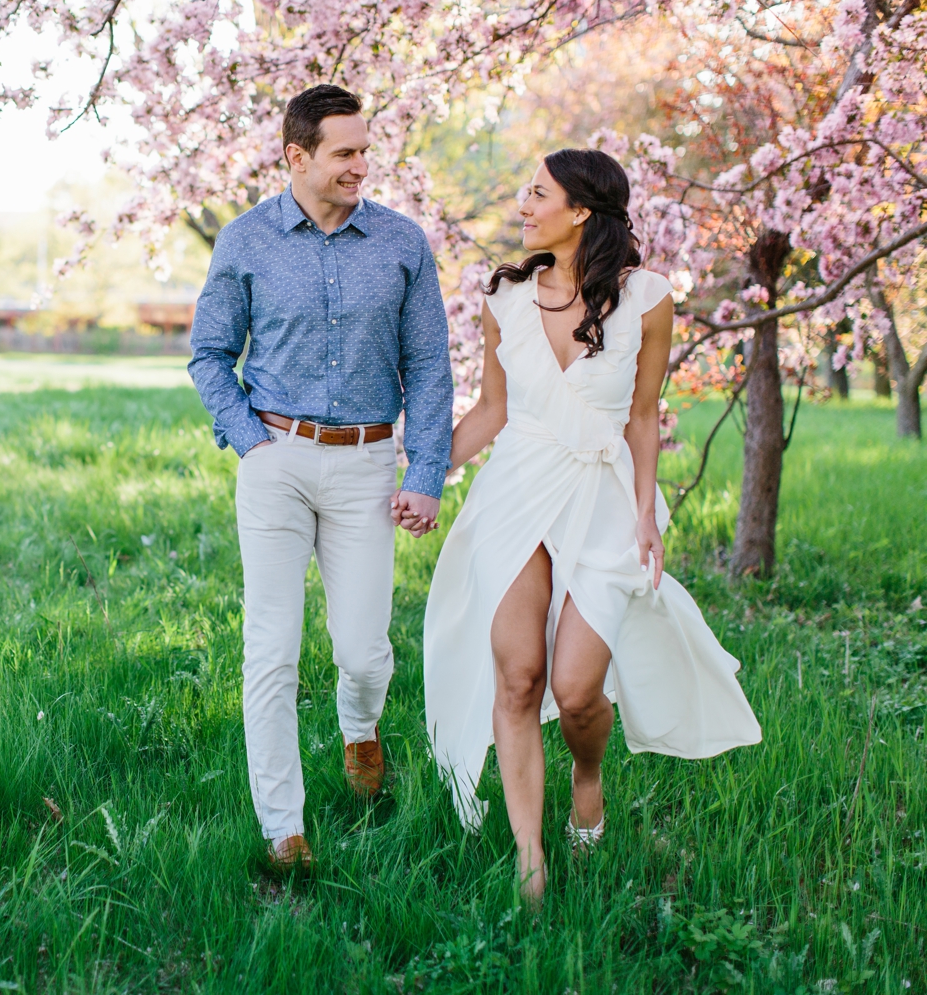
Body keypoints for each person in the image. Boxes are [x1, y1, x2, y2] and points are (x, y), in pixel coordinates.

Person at [419, 149, 762, 903]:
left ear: (579, 211)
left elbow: (643, 414)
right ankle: (530, 858)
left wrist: (646, 508)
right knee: (518, 677)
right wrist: (421, 476)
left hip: (604, 498)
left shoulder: (647, 296)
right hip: (514, 491)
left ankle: (588, 775)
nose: (520, 202)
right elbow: (491, 410)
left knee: (576, 689)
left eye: (536, 191)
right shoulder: (505, 298)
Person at [188, 84, 455, 872]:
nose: (361, 166)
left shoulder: (402, 244)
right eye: (345, 152)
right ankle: (284, 830)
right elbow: (209, 354)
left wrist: (427, 470)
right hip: (274, 457)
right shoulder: (245, 242)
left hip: (369, 464)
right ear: (296, 156)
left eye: (365, 150)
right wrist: (248, 442)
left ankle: (360, 732)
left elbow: (430, 366)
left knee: (365, 651)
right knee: (270, 650)